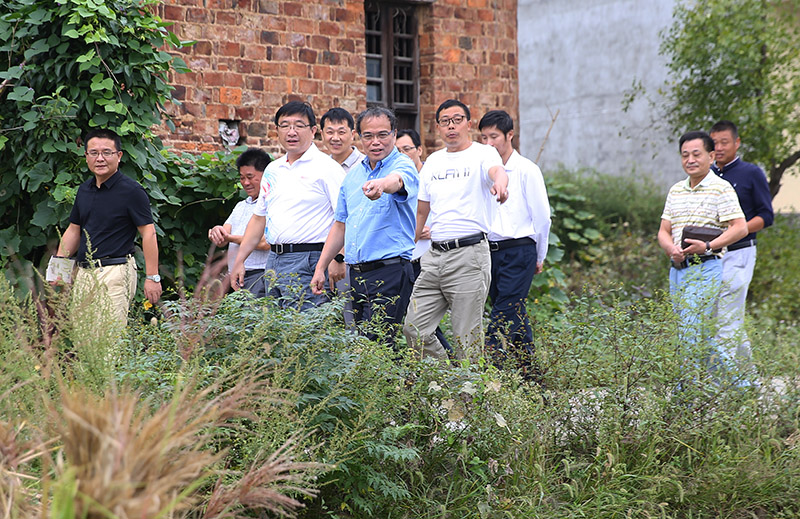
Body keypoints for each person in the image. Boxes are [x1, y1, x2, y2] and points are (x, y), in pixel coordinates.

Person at [403, 99, 509, 361]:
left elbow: (498, 171)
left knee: (466, 339)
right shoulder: (433, 162)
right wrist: (408, 244)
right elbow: (421, 211)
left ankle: (468, 388)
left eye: (457, 120)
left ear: (468, 124)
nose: (451, 126)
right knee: (414, 329)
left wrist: (500, 184)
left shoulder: (483, 154)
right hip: (433, 257)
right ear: (438, 127)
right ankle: (447, 378)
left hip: (469, 255)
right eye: (445, 121)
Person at [311, 107, 418, 345]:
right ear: (359, 137)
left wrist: (382, 185)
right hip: (356, 274)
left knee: (376, 344)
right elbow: (340, 225)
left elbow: (397, 180)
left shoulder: (403, 164)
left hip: (389, 271)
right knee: (363, 343)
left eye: (383, 135)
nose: (375, 142)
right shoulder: (353, 176)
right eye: (368, 136)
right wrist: (321, 267)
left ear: (394, 134)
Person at [230, 101, 346, 311]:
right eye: (285, 125)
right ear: (277, 130)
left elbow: (345, 218)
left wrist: (337, 258)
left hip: (310, 260)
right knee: (275, 326)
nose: (291, 132)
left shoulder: (327, 168)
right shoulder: (273, 169)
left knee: (306, 327)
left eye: (299, 125)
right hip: (274, 260)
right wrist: (240, 261)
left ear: (313, 131)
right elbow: (258, 218)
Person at [657, 131, 747, 376]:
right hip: (677, 270)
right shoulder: (676, 190)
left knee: (690, 331)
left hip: (705, 267)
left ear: (711, 156)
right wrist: (671, 248)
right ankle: (740, 386)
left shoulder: (721, 188)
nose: (690, 160)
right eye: (685, 155)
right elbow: (663, 231)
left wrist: (708, 246)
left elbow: (740, 227)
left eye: (696, 154)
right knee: (693, 334)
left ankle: (685, 390)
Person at [54, 128, 162, 327]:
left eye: (107, 152)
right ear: (86, 156)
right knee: (83, 337)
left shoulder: (132, 191)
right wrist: (59, 268)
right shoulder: (84, 190)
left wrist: (152, 277)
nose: (100, 158)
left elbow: (148, 233)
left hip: (116, 271)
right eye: (94, 153)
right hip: (84, 273)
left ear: (119, 156)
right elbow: (74, 230)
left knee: (109, 338)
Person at [479, 110, 551, 378]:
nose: (488, 143)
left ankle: (489, 374)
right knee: (514, 312)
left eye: (494, 137)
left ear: (510, 135)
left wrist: (539, 256)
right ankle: (531, 375)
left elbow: (542, 217)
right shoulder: (484, 171)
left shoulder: (527, 170)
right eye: (484, 138)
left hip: (520, 250)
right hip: (490, 252)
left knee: (502, 312)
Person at [709, 120, 774, 366]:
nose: (719, 148)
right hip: (710, 255)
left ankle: (718, 382)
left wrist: (738, 230)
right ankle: (749, 379)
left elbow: (766, 216)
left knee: (727, 318)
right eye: (714, 143)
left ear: (737, 143)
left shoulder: (751, 173)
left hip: (740, 252)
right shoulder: (707, 175)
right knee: (726, 316)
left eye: (724, 142)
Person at [397, 129, 451, 353]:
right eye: (398, 151)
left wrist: (433, 230)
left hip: (430, 255)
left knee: (426, 320)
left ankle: (449, 361)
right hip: (404, 257)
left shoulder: (432, 176)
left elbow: (451, 211)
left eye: (407, 149)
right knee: (412, 319)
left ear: (419, 150)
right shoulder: (396, 180)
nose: (403, 155)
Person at [207, 148, 271, 297]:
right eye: (242, 178)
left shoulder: (271, 204)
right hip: (235, 276)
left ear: (265, 175)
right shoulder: (241, 206)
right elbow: (224, 236)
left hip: (259, 275)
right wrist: (217, 232)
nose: (246, 183)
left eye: (250, 177)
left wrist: (229, 237)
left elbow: (265, 243)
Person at [320, 107, 365, 173]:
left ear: (352, 134)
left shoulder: (365, 165)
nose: (335, 138)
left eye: (341, 132)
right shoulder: (321, 167)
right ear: (322, 135)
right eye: (330, 132)